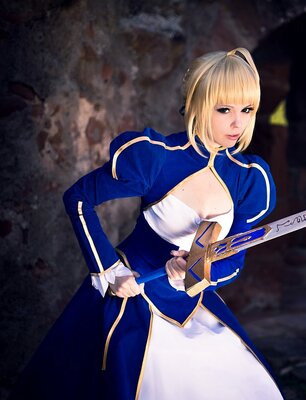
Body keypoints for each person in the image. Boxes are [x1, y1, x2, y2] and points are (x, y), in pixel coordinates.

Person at [11, 48, 283, 400]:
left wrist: (196, 273)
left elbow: (234, 260)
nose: (238, 123)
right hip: (133, 293)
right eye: (224, 109)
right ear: (199, 104)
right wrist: (108, 270)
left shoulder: (248, 179)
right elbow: (78, 199)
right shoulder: (157, 159)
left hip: (192, 304)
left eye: (247, 110)